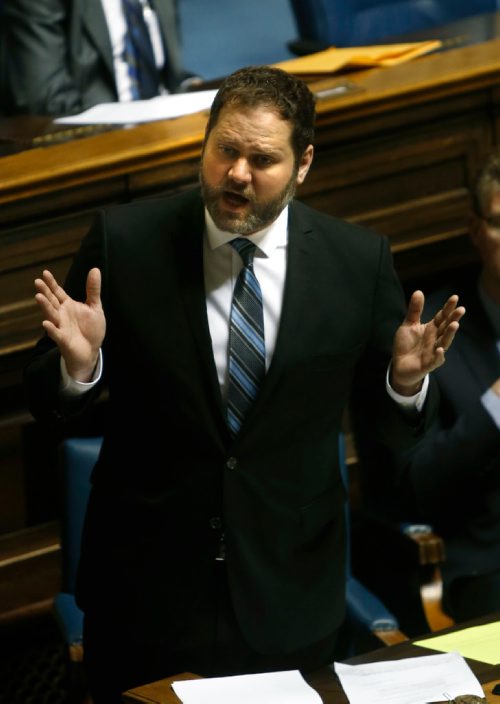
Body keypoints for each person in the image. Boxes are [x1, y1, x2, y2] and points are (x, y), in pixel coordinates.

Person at [24, 65, 464, 703]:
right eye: (225, 149)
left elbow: (394, 437)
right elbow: (46, 403)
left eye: (262, 159)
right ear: (205, 141)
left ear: (303, 163)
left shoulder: (355, 262)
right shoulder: (127, 242)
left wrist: (402, 384)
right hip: (146, 595)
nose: (237, 173)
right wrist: (79, 368)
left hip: (290, 598)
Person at [391, 151, 500, 623]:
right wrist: (495, 407)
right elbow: (418, 488)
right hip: (490, 571)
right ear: (477, 231)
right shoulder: (436, 334)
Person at [1, 0, 198, 116]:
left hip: (167, 136)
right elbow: (46, 102)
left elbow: (164, 74)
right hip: (94, 151)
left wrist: (190, 87)